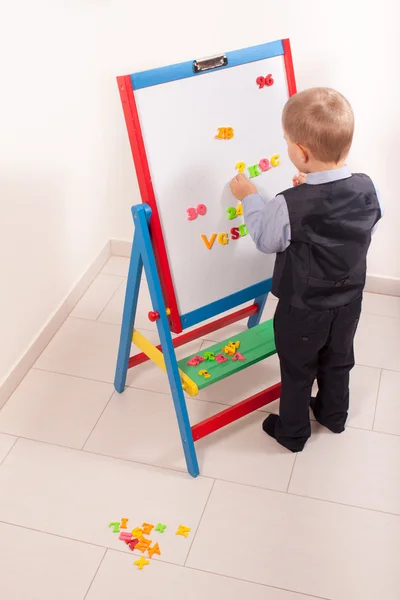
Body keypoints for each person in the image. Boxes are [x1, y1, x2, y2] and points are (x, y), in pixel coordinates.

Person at [230, 87, 383, 452]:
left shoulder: (287, 203)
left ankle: (293, 433)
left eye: (286, 141)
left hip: (303, 309)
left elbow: (267, 240)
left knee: (298, 371)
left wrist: (249, 197)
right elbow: (366, 226)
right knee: (338, 360)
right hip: (348, 303)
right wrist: (310, 192)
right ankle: (333, 416)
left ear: (300, 153)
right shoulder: (367, 188)